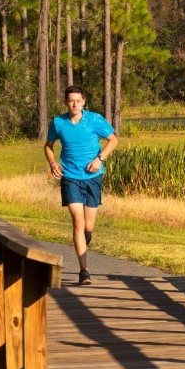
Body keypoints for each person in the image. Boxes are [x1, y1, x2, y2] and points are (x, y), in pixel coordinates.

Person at [44, 85, 118, 286]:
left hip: (93, 177)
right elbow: (48, 147)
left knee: (88, 225)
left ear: (84, 101)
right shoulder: (58, 123)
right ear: (66, 102)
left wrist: (100, 159)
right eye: (70, 100)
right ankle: (84, 271)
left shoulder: (95, 120)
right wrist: (52, 163)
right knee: (77, 221)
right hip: (70, 176)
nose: (74, 104)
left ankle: (86, 235)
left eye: (78, 100)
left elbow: (113, 140)